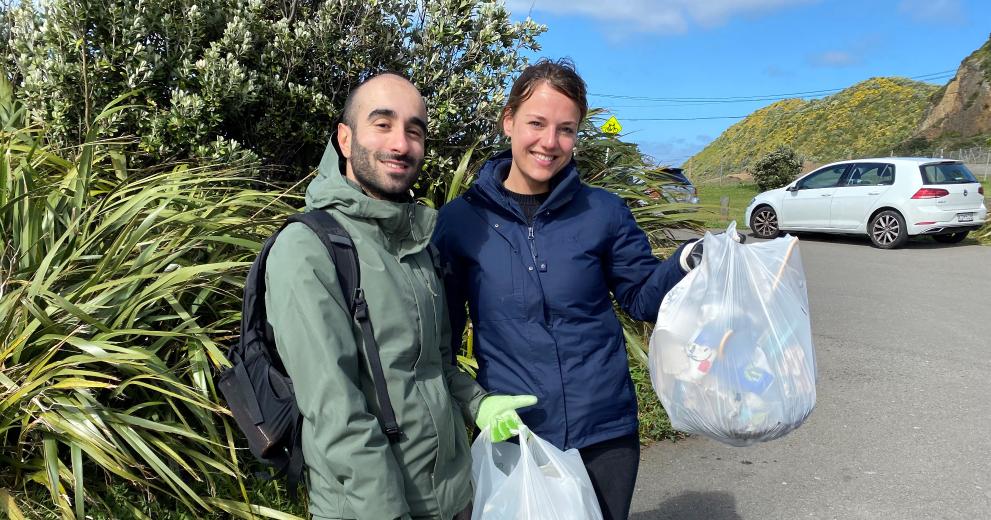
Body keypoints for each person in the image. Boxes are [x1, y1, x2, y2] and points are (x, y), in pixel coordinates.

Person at [432, 59, 705, 520]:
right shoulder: (460, 222)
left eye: (566, 129)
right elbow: (442, 336)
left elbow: (640, 298)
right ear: (509, 121)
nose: (549, 142)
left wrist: (685, 263)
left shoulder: (603, 211)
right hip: (516, 431)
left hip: (605, 430)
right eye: (536, 123)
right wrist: (473, 403)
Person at [265, 72, 507, 520]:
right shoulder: (308, 248)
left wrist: (479, 403)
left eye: (413, 129)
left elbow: (434, 367)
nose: (401, 143)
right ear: (344, 137)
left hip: (454, 496)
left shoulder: (416, 244)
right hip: (373, 507)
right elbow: (334, 410)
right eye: (382, 123)